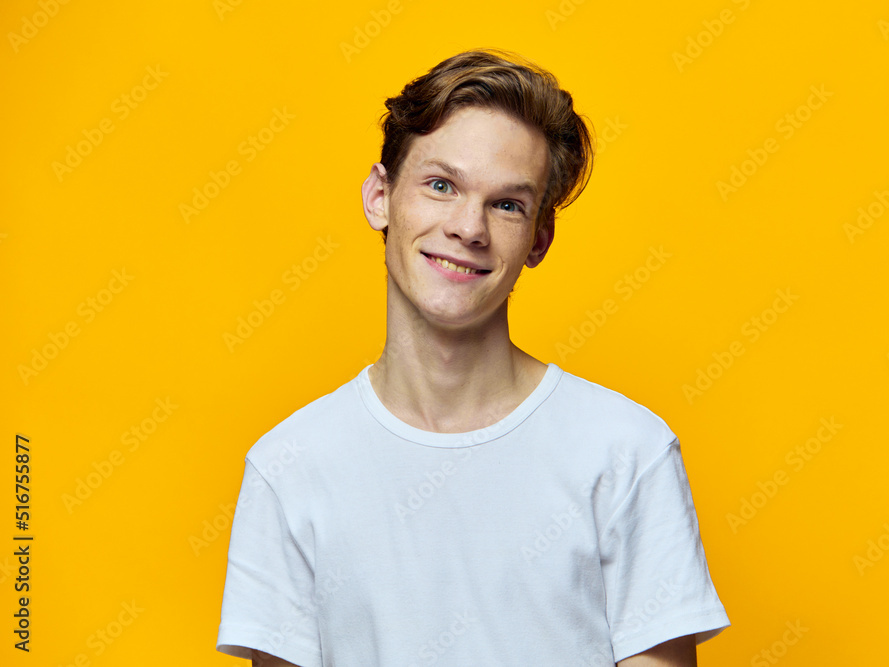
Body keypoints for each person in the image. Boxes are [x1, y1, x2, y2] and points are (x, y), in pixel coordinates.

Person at [216, 48, 730, 667]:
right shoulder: (288, 468)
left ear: (538, 238)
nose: (469, 228)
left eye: (507, 204)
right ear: (380, 197)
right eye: (441, 186)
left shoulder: (628, 452)